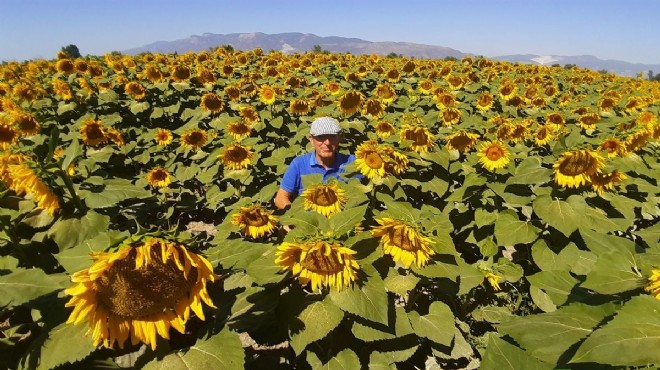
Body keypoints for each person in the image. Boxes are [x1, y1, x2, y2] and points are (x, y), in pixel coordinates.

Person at [274, 117, 356, 209]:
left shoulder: (351, 162)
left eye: (332, 136)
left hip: (341, 220)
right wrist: (295, 215)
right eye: (321, 137)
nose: (327, 142)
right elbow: (280, 199)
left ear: (339, 138)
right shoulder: (299, 164)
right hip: (308, 221)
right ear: (311, 140)